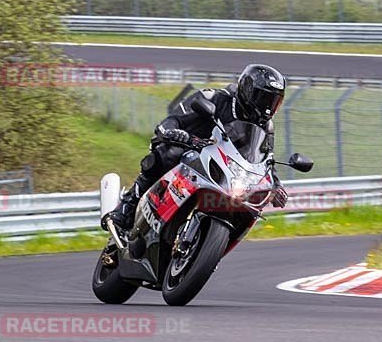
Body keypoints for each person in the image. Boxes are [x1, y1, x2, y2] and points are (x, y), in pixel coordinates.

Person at [103, 64, 289, 232]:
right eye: (263, 98)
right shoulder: (214, 97)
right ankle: (127, 207)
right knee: (167, 154)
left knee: (246, 204)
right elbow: (173, 119)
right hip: (188, 150)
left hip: (224, 169)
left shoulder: (266, 126)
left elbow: (266, 160)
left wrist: (277, 185)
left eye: (273, 101)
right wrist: (173, 133)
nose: (267, 107)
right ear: (247, 90)